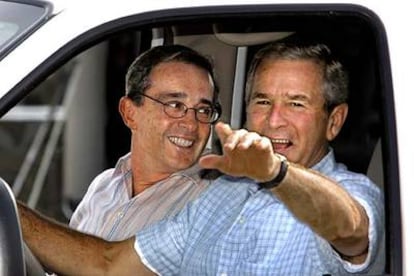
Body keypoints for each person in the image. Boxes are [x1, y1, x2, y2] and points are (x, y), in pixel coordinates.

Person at [18, 41, 384, 275]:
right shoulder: (220, 197)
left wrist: (277, 173)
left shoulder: (352, 191)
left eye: (296, 104)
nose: (274, 120)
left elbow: (349, 229)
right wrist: (11, 210)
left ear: (334, 121)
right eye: (262, 102)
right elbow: (109, 266)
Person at [68, 44, 222, 240]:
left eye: (203, 110)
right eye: (175, 105)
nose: (191, 124)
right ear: (130, 113)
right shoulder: (103, 185)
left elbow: (108, 265)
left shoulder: (213, 198)